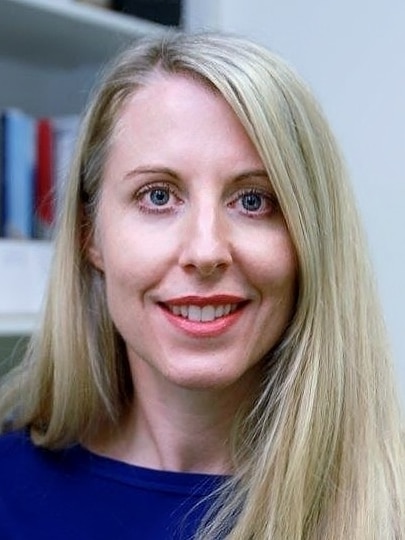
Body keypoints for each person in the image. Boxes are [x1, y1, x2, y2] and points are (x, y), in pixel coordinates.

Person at [0, 30, 404, 539]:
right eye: (158, 196)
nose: (206, 250)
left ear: (310, 239)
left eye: (253, 200)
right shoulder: (6, 488)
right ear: (90, 235)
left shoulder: (390, 504)